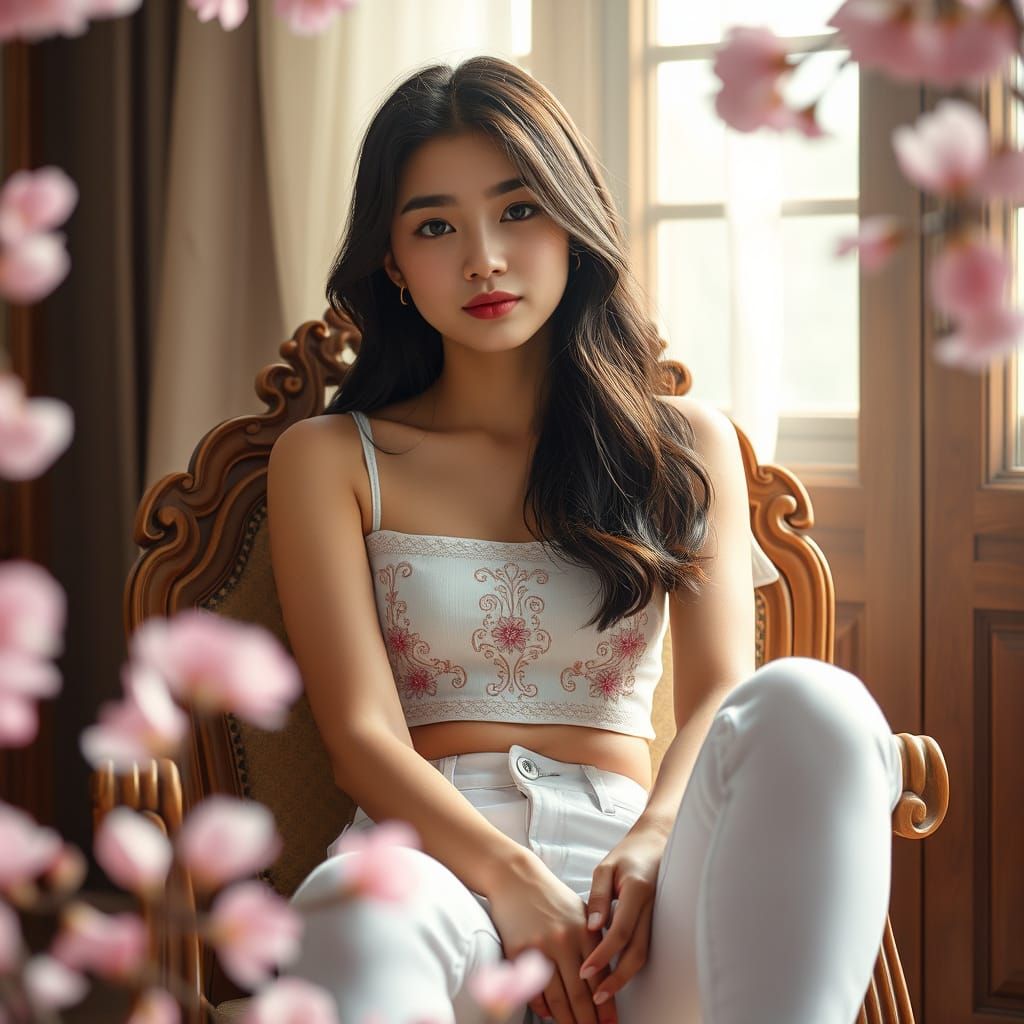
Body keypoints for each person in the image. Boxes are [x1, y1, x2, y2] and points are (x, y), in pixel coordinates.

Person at [266, 55, 905, 1024]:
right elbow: (359, 738)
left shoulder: (685, 444)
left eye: (518, 210)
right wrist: (512, 878)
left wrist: (652, 841)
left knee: (814, 699)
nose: (483, 256)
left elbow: (717, 695)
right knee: (354, 910)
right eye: (436, 225)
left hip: (640, 885)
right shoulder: (332, 457)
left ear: (571, 221)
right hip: (431, 873)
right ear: (393, 262)